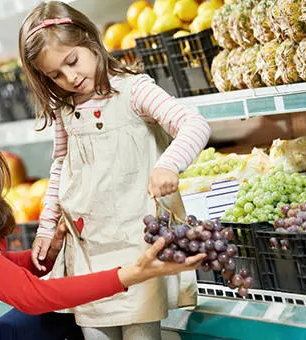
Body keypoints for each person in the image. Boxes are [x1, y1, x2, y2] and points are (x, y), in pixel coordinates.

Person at [0, 57, 206, 340]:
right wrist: (134, 273)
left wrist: (49, 254)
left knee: (64, 318)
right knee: (53, 313)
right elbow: (28, 296)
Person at [19, 2, 211, 339]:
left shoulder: (134, 90)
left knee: (141, 330)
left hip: (136, 243)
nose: (70, 78)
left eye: (72, 61)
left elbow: (193, 123)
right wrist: (46, 227)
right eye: (55, 75)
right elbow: (61, 166)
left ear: (91, 41)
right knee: (94, 331)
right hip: (88, 245)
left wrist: (168, 164)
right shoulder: (65, 110)